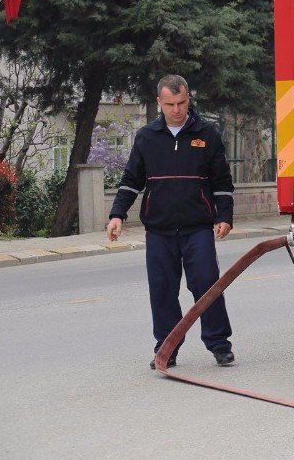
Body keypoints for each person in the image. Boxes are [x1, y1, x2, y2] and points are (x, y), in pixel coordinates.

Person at [106, 75, 236, 369]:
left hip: (198, 228)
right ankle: (167, 349)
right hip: (159, 231)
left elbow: (222, 183)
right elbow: (130, 181)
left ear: (189, 98)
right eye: (170, 104)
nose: (176, 109)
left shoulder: (207, 134)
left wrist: (224, 216)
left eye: (181, 102)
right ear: (159, 103)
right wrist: (117, 215)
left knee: (206, 285)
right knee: (163, 290)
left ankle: (219, 344)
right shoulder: (147, 137)